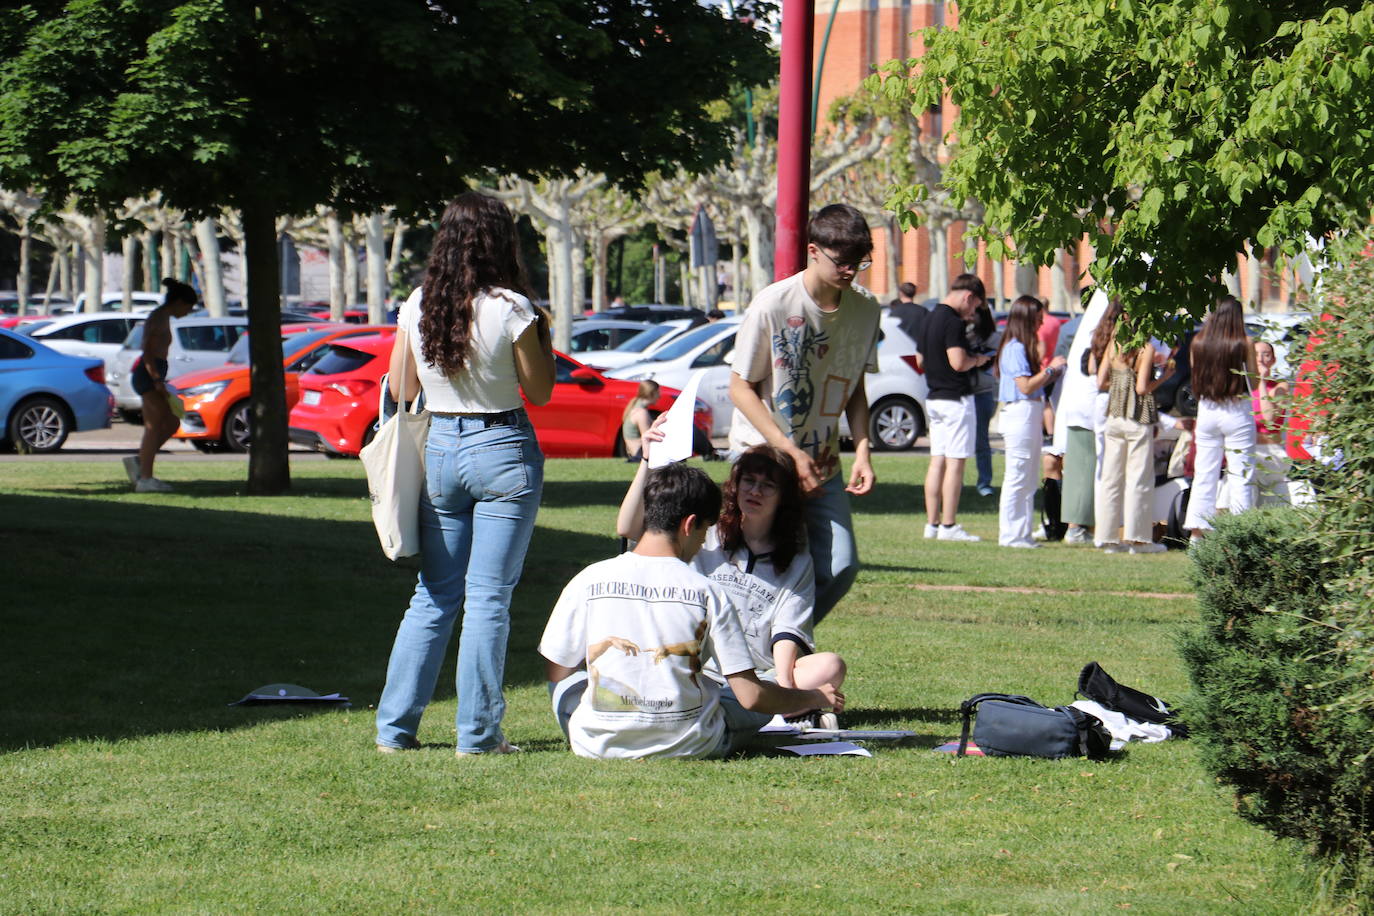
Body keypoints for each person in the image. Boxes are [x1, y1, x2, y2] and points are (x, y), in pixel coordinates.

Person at [375, 192, 555, 756]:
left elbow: (402, 390)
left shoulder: (420, 302)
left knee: (432, 596)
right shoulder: (512, 307)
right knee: (488, 599)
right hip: (501, 443)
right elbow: (542, 391)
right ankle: (477, 735)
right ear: (501, 241)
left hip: (442, 450)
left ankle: (394, 730)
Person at [541, 463, 844, 759]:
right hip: (691, 742)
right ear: (689, 525)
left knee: (567, 685)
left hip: (596, 743)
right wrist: (813, 697)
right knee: (738, 697)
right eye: (704, 531)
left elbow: (558, 670)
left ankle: (604, 722)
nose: (702, 544)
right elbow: (751, 697)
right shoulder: (708, 591)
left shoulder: (589, 578)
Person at [616, 428, 846, 724]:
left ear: (783, 498)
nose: (755, 492)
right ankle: (774, 712)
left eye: (767, 486)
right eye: (749, 481)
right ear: (735, 486)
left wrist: (786, 690)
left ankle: (772, 710)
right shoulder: (703, 535)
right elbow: (629, 529)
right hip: (700, 668)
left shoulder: (796, 557)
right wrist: (647, 460)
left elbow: (787, 630)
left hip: (761, 674)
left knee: (829, 666)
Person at [728, 203, 880, 623]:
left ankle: (780, 643)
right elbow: (740, 388)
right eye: (842, 261)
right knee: (760, 566)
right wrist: (790, 454)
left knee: (841, 566)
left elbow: (855, 388)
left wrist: (864, 451)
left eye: (860, 261)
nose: (851, 271)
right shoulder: (773, 304)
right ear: (813, 250)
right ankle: (758, 656)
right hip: (763, 458)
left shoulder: (867, 309)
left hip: (823, 463)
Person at [917, 273, 994, 541]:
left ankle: (932, 523)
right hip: (956, 398)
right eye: (975, 306)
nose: (973, 313)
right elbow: (958, 362)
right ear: (968, 297)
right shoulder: (952, 322)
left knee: (937, 461)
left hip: (934, 397)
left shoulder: (929, 317)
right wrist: (979, 360)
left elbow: (920, 359)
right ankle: (949, 525)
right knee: (955, 462)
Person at [1093, 313, 1172, 554]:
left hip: (1114, 415)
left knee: (1110, 479)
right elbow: (1141, 388)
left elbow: (1100, 382)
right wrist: (1165, 377)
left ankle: (1107, 538)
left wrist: (1119, 384)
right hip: (1137, 417)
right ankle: (1137, 539)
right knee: (1138, 479)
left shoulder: (1114, 343)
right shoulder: (1145, 348)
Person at [1183, 296, 1258, 540]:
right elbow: (1254, 382)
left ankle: (1197, 535)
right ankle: (1240, 533)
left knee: (1204, 474)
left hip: (1207, 408)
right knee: (1241, 474)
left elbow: (1196, 375)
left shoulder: (1199, 342)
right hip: (1236, 408)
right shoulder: (1244, 342)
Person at [996, 296, 1067, 547]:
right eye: (1037, 319)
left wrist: (1051, 373)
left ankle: (1022, 532)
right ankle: (1011, 534)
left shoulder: (1021, 347)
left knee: (1027, 476)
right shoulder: (1015, 348)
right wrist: (1050, 370)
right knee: (1018, 475)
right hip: (1020, 413)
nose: (1041, 323)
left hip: (1029, 412)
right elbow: (1025, 386)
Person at [122, 278, 197, 493]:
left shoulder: (163, 317)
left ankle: (141, 460)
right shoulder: (158, 318)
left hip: (155, 373)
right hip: (149, 375)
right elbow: (147, 351)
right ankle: (145, 478)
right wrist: (156, 379)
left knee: (172, 422)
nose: (188, 312)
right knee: (153, 427)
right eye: (188, 307)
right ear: (180, 302)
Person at [966, 297, 1000, 497]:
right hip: (964, 393)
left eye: (975, 314)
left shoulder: (994, 338)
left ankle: (984, 483)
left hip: (983, 392)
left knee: (982, 441)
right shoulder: (963, 335)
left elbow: (992, 364)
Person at [1251, 339, 1292, 503]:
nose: (1260, 359)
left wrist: (1261, 382)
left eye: (1265, 355)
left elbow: (1269, 418)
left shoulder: (1280, 387)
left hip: (1270, 452)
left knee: (1270, 503)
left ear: (1273, 360)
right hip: (1248, 450)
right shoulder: (1244, 386)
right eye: (1255, 355)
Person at [620, 380, 659, 461]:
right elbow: (649, 439)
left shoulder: (635, 407)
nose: (659, 396)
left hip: (636, 453)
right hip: (639, 454)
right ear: (652, 393)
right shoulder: (641, 413)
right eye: (658, 393)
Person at [888, 281, 929, 348]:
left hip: (901, 349)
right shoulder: (923, 311)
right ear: (914, 293)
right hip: (920, 348)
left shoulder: (895, 312)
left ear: (901, 293)